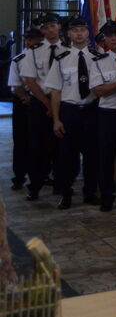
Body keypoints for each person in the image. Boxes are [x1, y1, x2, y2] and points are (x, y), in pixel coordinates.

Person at [45, 16, 100, 209]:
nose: (79, 34)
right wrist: (56, 119)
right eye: (74, 31)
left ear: (88, 33)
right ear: (68, 34)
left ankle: (90, 192)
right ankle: (66, 194)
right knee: (67, 155)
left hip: (91, 110)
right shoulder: (61, 59)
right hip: (69, 111)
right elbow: (55, 91)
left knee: (92, 154)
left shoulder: (97, 57)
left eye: (82, 30)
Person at [18, 13, 65, 201]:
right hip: (40, 102)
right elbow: (29, 79)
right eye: (45, 28)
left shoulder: (68, 49)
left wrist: (55, 106)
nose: (49, 30)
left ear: (59, 27)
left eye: (52, 26)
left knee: (61, 147)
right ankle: (35, 186)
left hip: (62, 101)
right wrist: (47, 103)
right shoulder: (34, 51)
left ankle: (61, 183)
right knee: (37, 147)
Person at [89, 21, 116, 212]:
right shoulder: (98, 62)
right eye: (110, 36)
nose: (114, 38)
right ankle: (106, 195)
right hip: (108, 114)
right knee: (106, 156)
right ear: (105, 40)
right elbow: (99, 91)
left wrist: (114, 86)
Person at [7, 28, 43, 191]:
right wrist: (25, 98)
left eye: (32, 40)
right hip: (23, 102)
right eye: (27, 40)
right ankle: (19, 176)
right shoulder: (18, 59)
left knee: (39, 141)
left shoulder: (45, 57)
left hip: (40, 101)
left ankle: (42, 173)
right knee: (21, 141)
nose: (29, 43)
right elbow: (16, 84)